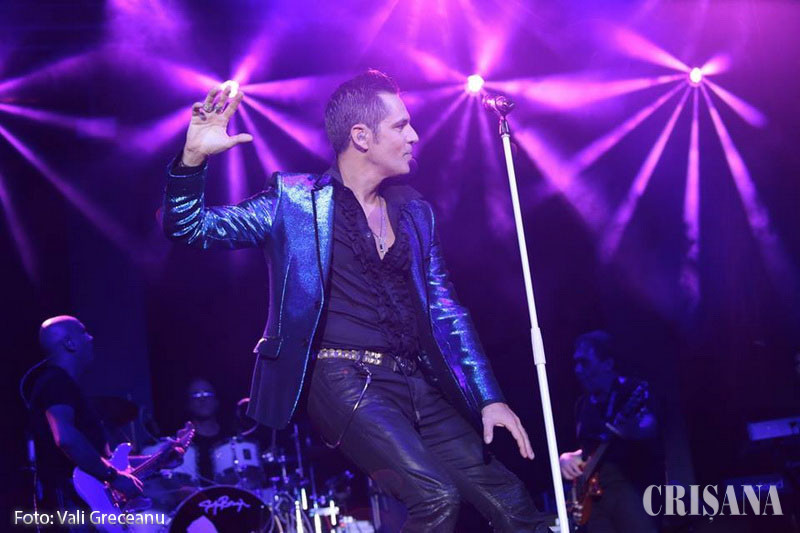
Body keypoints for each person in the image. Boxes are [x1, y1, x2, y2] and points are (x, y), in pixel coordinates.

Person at [163, 70, 549, 532]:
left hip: (415, 379)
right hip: (342, 378)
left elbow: (445, 310)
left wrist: (488, 398)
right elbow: (190, 227)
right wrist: (192, 159)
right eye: (401, 125)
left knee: (512, 501)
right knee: (435, 496)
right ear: (361, 136)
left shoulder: (414, 212)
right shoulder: (295, 202)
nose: (414, 136)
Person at [24, 316, 143, 528]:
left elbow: (102, 459)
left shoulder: (62, 384)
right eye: (84, 332)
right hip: (71, 505)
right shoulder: (56, 382)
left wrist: (159, 458)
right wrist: (113, 476)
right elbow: (66, 438)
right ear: (69, 343)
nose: (91, 338)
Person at [559, 330, 661, 533]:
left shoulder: (632, 390)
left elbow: (650, 426)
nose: (578, 370)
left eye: (585, 362)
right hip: (594, 496)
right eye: (576, 363)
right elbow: (589, 448)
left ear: (607, 363)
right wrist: (567, 458)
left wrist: (632, 429)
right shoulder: (583, 404)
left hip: (632, 486)